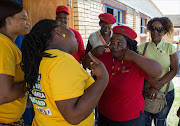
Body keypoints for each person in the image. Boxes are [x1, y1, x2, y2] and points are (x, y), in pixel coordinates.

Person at [21, 19, 109, 126]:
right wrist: (103, 78)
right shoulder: (62, 61)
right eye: (67, 29)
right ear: (58, 31)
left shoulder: (39, 60)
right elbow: (73, 116)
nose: (74, 34)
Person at [83, 25, 162, 126]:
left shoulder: (137, 60)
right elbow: (85, 63)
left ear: (128, 46)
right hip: (104, 114)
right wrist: (93, 52)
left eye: (120, 43)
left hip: (130, 119)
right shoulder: (104, 57)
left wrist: (133, 56)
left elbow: (158, 71)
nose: (114, 46)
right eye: (112, 42)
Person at [137, 17, 178, 126]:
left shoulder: (170, 47)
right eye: (153, 28)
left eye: (159, 29)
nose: (155, 32)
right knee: (145, 123)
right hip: (146, 92)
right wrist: (151, 84)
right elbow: (138, 69)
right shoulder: (142, 48)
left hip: (166, 92)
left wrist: (156, 86)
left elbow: (174, 70)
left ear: (164, 31)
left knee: (160, 123)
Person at [0, 0, 30, 125]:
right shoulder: (2, 45)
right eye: (24, 18)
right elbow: (4, 95)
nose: (28, 23)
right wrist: (30, 82)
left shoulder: (9, 45)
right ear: (8, 20)